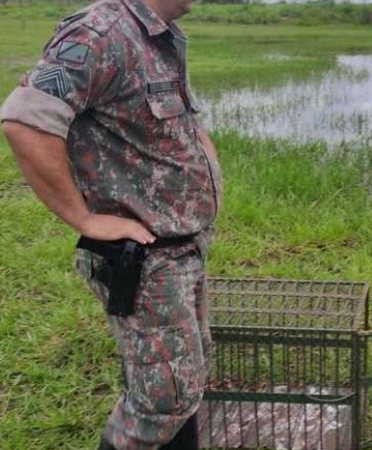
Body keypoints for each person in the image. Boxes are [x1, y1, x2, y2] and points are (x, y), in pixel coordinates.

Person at [0, 0, 222, 449]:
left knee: (184, 388)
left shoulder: (160, 36)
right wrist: (82, 217)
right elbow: (25, 120)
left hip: (181, 250)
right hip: (146, 262)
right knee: (159, 403)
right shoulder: (98, 34)